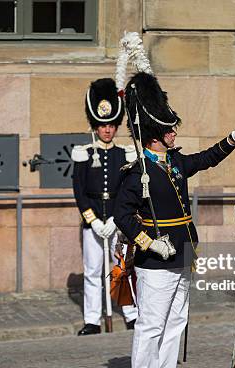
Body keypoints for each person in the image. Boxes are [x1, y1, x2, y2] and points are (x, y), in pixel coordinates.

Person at [114, 71, 235, 368]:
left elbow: (206, 159)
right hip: (157, 259)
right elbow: (121, 215)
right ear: (154, 137)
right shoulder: (137, 173)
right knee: (151, 324)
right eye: (169, 129)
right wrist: (148, 242)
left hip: (183, 253)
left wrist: (233, 137)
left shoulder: (174, 161)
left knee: (176, 322)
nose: (175, 132)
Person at [72, 78, 138, 336]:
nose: (107, 130)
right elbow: (79, 191)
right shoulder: (84, 153)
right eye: (102, 126)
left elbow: (126, 190)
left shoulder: (125, 154)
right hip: (93, 223)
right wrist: (93, 220)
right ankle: (92, 320)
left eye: (111, 125)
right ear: (95, 127)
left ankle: (131, 314)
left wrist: (115, 220)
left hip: (117, 222)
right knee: (92, 271)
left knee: (121, 268)